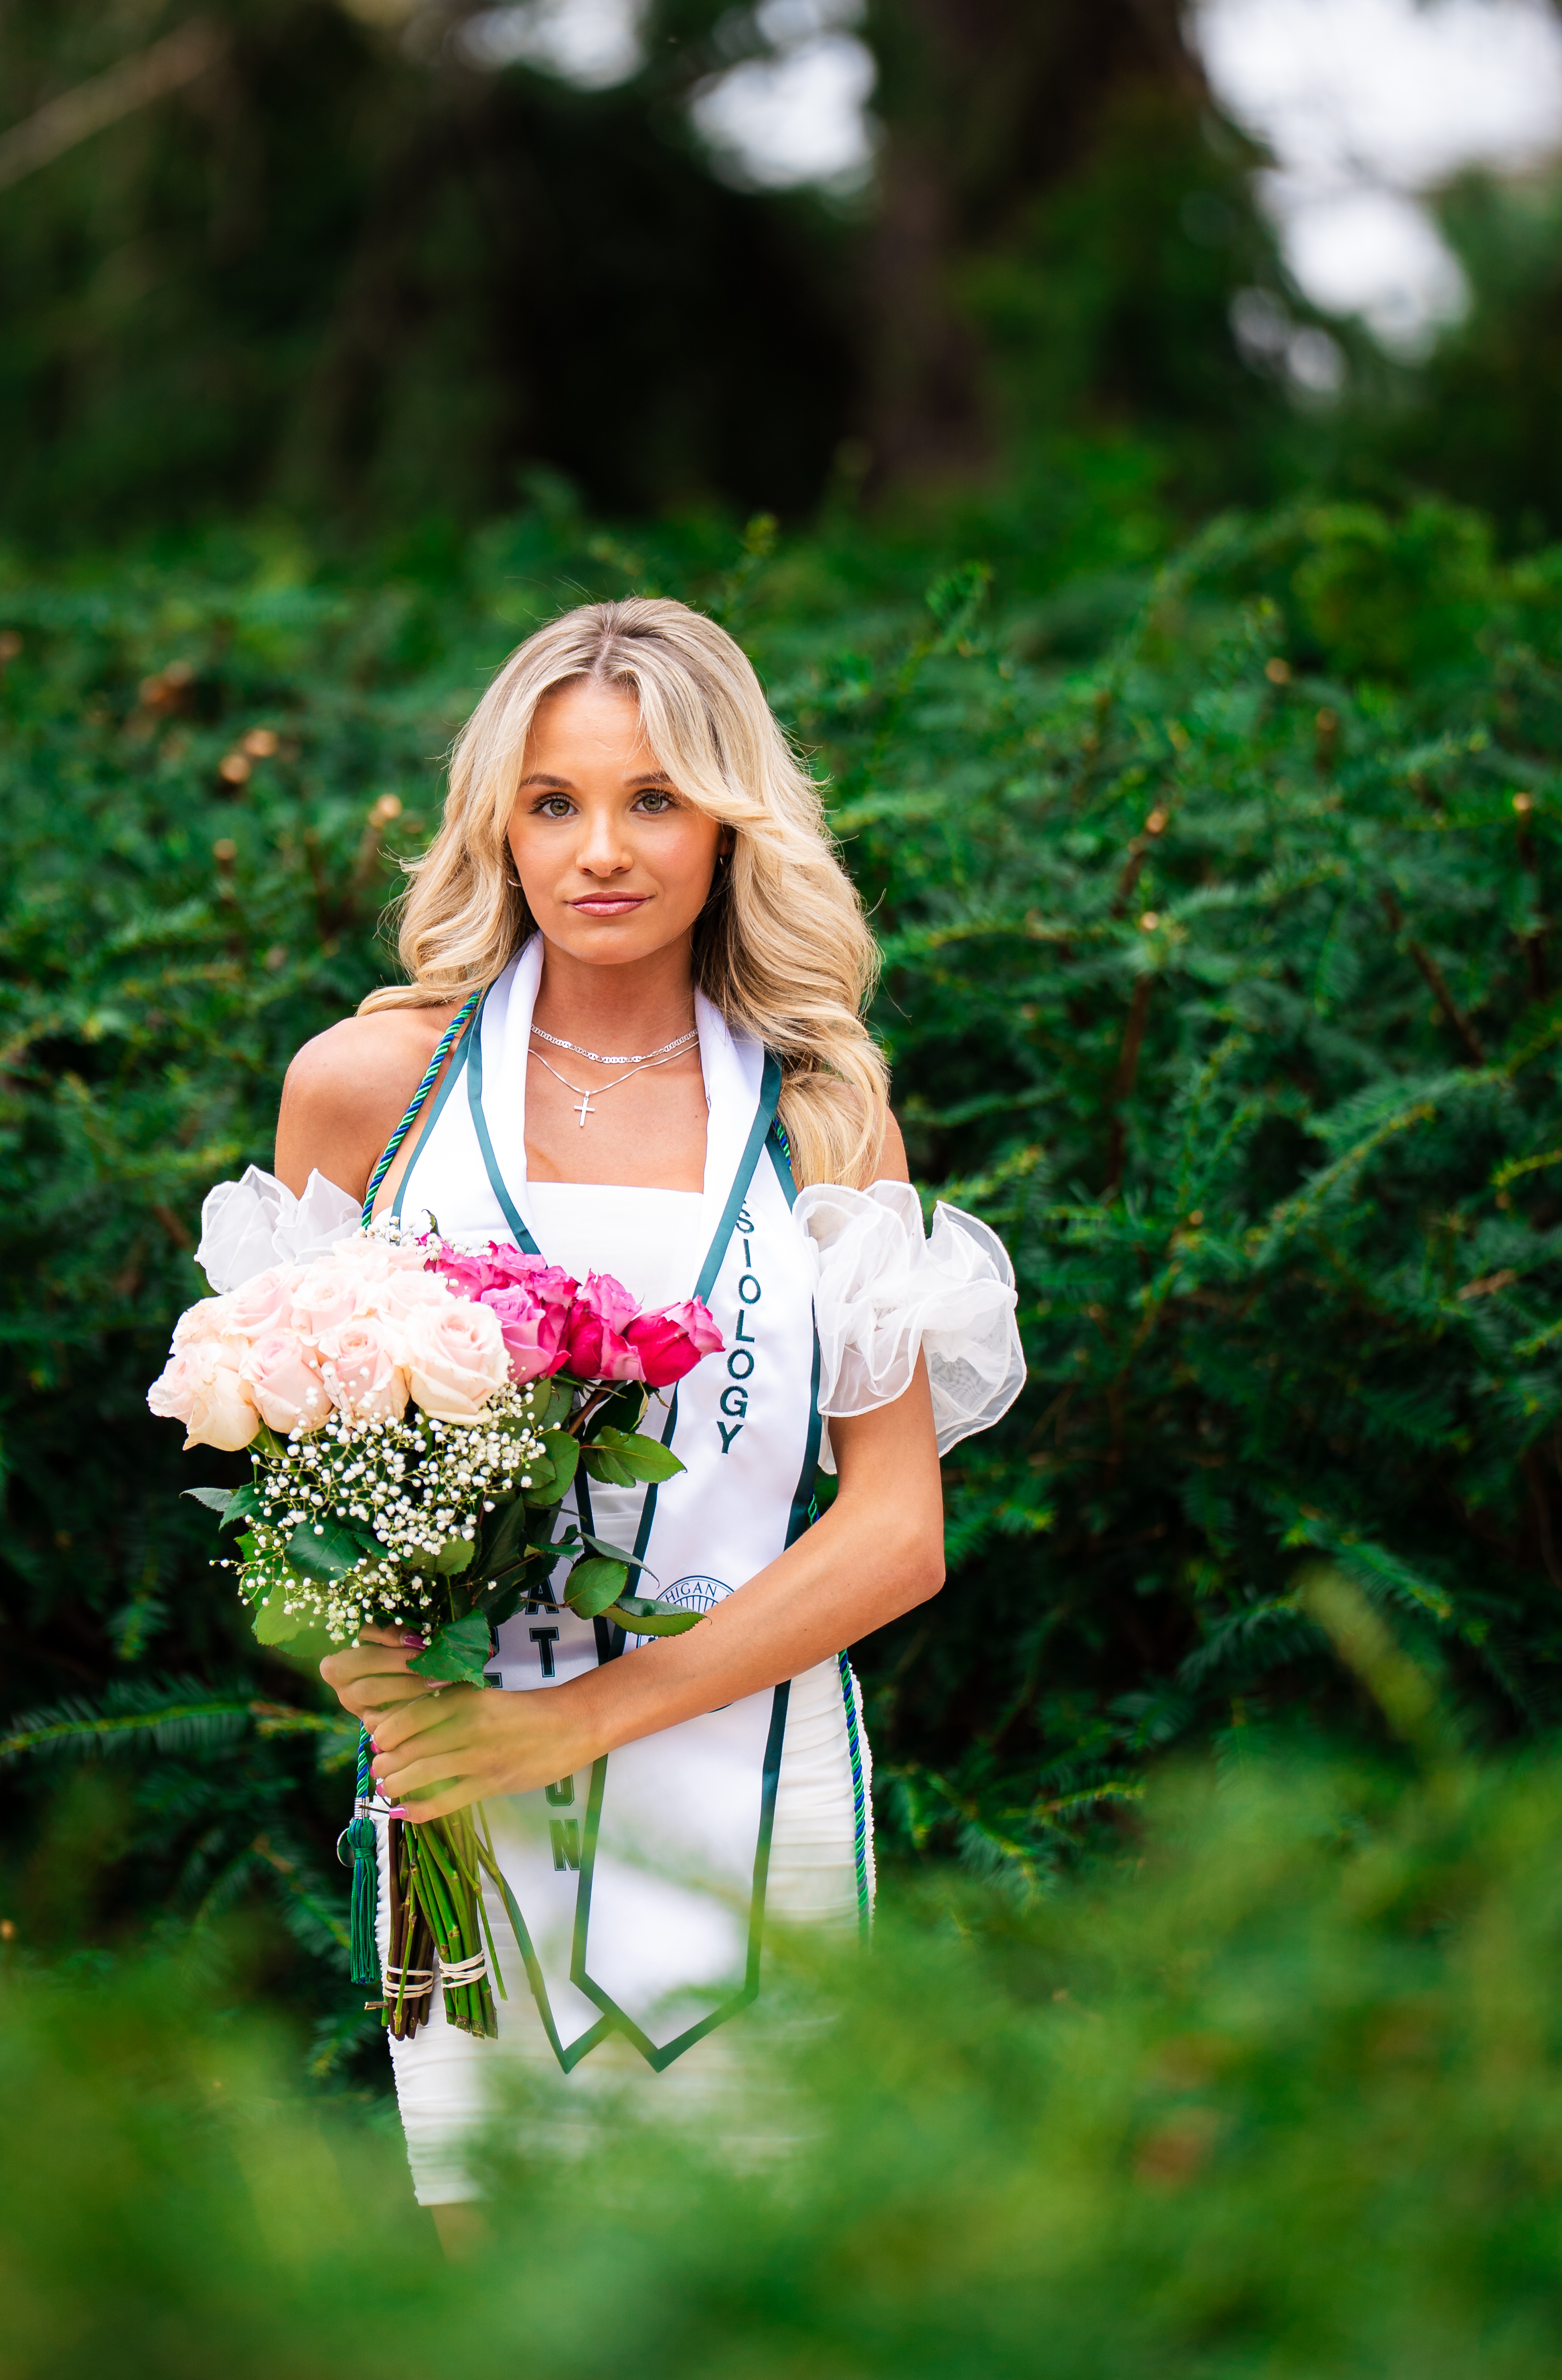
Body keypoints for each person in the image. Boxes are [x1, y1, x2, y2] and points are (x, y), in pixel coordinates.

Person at [270, 596, 1024, 2228]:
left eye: (652, 799)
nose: (600, 848)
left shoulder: (821, 1107)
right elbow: (287, 1465)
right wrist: (381, 1676)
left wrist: (583, 1719)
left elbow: (897, 1533)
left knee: (751, 2302)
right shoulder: (365, 1086)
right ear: (498, 824)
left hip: (759, 1792)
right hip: (456, 1798)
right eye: (554, 802)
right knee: (486, 2294)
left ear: (725, 822)